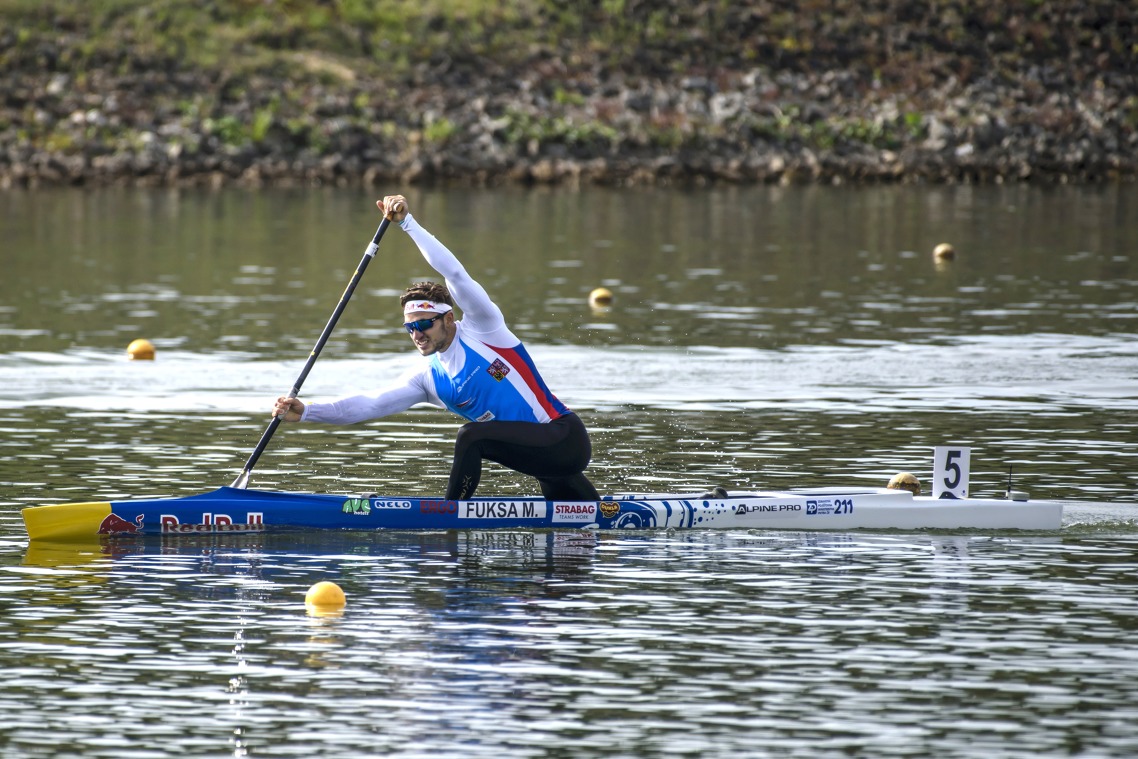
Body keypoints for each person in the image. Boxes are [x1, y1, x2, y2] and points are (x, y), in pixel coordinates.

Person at [272, 194, 600, 502]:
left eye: (424, 323)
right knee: (576, 543)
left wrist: (406, 223)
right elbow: (369, 405)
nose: (417, 333)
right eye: (410, 327)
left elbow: (453, 272)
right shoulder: (427, 379)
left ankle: (449, 517)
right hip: (541, 462)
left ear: (449, 318)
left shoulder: (486, 329)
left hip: (563, 438)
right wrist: (308, 412)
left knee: (471, 435)